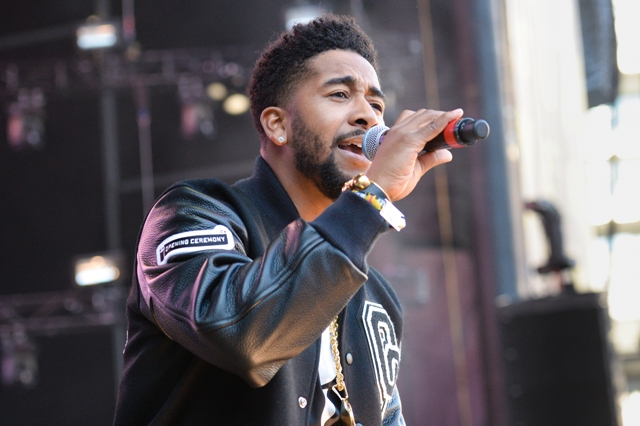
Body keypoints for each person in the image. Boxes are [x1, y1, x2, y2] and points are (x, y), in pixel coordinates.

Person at [113, 13, 462, 426]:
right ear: (277, 124)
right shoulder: (192, 215)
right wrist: (373, 194)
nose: (368, 117)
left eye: (376, 105)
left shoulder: (376, 298)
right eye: (339, 94)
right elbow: (242, 335)